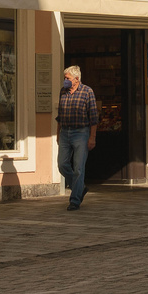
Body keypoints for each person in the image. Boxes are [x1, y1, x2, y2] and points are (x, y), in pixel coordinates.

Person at [55, 65, 98, 211]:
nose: (65, 81)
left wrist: (92, 137)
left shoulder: (87, 92)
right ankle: (80, 188)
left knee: (79, 167)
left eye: (67, 78)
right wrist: (57, 133)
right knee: (62, 165)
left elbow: (93, 117)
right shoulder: (63, 92)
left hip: (81, 133)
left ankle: (75, 200)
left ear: (76, 79)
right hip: (65, 133)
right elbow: (60, 115)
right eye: (64, 78)